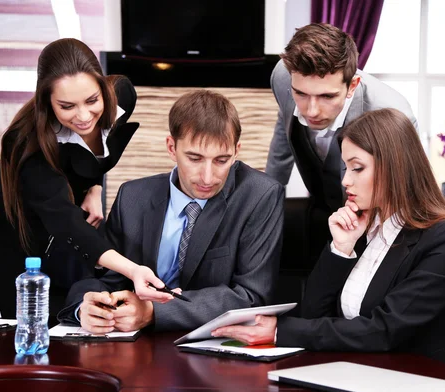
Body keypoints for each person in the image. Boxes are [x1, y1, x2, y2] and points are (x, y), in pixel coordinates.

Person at [213, 108, 445, 367]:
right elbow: (312, 315)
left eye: (357, 168)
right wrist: (341, 249)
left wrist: (279, 331)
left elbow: (384, 330)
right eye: (345, 168)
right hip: (351, 373)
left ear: (396, 168)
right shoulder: (363, 228)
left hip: (412, 383)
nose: (345, 181)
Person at [57, 89, 284, 333]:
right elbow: (107, 280)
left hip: (215, 349)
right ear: (171, 147)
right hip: (135, 347)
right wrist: (87, 307)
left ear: (236, 151)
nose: (208, 177)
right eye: (194, 158)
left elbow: (251, 296)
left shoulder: (260, 195)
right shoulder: (132, 197)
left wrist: (154, 313)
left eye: (221, 160)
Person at [0, 38, 173, 319]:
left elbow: (97, 156)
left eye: (92, 100)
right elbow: (66, 222)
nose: (84, 116)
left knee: (82, 300)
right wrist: (133, 269)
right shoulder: (28, 147)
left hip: (67, 203)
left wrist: (94, 188)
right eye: (67, 106)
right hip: (15, 218)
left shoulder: (121, 96)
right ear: (47, 102)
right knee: (31, 314)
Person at [265, 22, 418, 268]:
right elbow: (284, 133)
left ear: (352, 85)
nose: (311, 110)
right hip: (321, 211)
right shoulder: (282, 77)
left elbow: (407, 193)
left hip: (374, 226)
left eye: (327, 96)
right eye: (301, 94)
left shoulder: (390, 112)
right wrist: (267, 204)